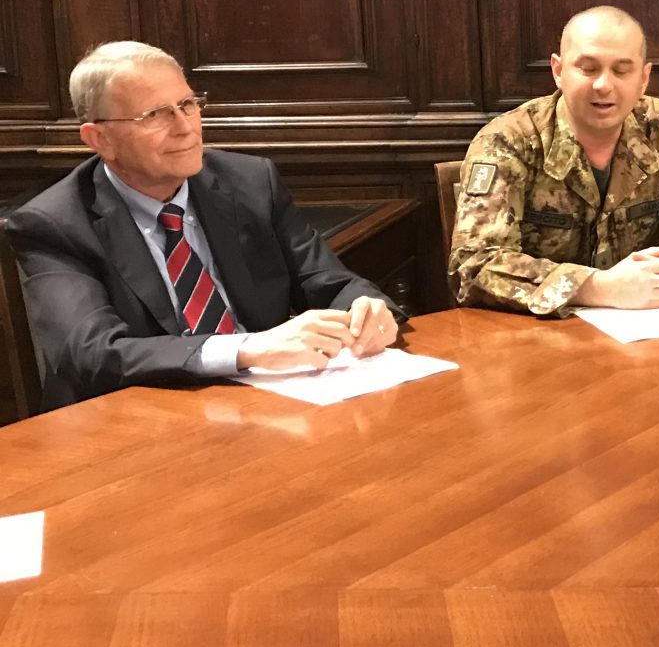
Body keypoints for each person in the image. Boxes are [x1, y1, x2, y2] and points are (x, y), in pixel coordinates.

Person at [3, 42, 404, 410]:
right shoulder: (54, 224)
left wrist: (369, 311)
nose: (185, 127)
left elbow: (329, 282)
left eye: (188, 104)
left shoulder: (250, 183)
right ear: (100, 139)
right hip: (138, 422)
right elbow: (91, 353)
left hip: (269, 404)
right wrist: (245, 349)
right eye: (155, 115)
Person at [450, 5, 659, 315]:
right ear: (558, 71)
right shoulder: (508, 141)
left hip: (641, 326)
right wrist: (598, 287)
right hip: (534, 331)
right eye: (588, 68)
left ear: (644, 78)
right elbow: (473, 265)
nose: (603, 85)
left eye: (621, 70)